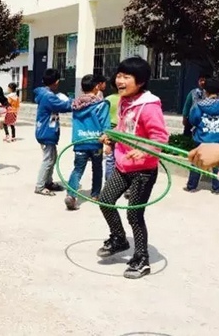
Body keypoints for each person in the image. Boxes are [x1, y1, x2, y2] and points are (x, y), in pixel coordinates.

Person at [98, 56, 169, 280]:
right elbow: (123, 129)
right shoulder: (124, 102)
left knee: (134, 214)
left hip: (143, 171)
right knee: (105, 200)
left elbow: (160, 137)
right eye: (119, 75)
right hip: (123, 165)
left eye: (126, 77)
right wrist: (111, 137)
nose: (120, 80)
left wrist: (146, 150)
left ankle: (141, 259)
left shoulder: (149, 107)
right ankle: (119, 238)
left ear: (140, 81)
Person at [65, 75, 111, 210]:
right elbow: (105, 124)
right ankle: (95, 194)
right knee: (97, 168)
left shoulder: (76, 104)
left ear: (82, 88)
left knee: (78, 169)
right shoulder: (101, 104)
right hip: (96, 142)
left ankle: (71, 195)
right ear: (97, 87)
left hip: (80, 141)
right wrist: (107, 140)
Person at [184, 78, 219, 195]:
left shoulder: (198, 106)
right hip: (218, 140)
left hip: (201, 139)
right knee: (218, 164)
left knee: (197, 162)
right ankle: (217, 188)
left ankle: (192, 186)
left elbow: (193, 120)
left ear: (205, 91)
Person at [33, 69, 72, 196]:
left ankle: (48, 182)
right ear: (56, 82)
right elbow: (64, 106)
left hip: (47, 131)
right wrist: (77, 102)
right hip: (46, 132)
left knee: (52, 158)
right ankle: (40, 186)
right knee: (48, 159)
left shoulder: (46, 94)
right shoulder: (48, 96)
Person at [104, 74, 119, 180]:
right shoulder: (128, 100)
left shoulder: (108, 99)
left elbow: (103, 116)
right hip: (125, 131)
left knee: (110, 158)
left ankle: (109, 182)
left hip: (110, 129)